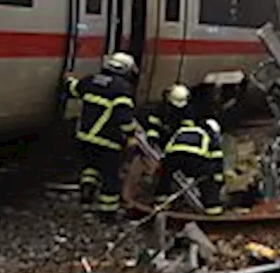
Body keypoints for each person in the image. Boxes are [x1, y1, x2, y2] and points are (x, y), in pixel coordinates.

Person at [63, 52, 140, 219]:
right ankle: (108, 212)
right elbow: (124, 119)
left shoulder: (91, 80)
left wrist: (68, 79)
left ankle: (87, 191)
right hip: (108, 141)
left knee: (90, 167)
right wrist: (131, 136)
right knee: (110, 177)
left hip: (84, 137)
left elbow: (72, 89)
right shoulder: (122, 89)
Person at [158, 106, 226, 216]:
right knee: (207, 179)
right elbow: (216, 156)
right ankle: (212, 207)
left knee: (166, 176)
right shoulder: (208, 134)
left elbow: (168, 145)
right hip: (194, 160)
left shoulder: (182, 130)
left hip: (172, 158)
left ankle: (161, 201)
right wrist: (218, 177)